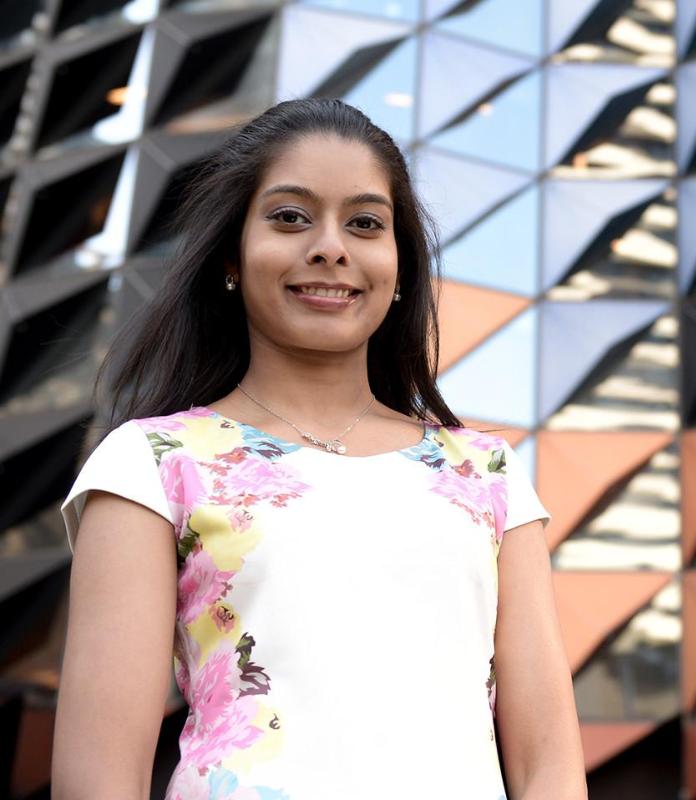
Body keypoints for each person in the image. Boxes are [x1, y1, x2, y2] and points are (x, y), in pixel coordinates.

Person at [52, 98, 586, 800]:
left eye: (365, 223)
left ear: (399, 268)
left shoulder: (485, 472)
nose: (330, 246)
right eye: (290, 217)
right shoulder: (151, 463)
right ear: (230, 259)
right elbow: (99, 778)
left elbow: (546, 758)